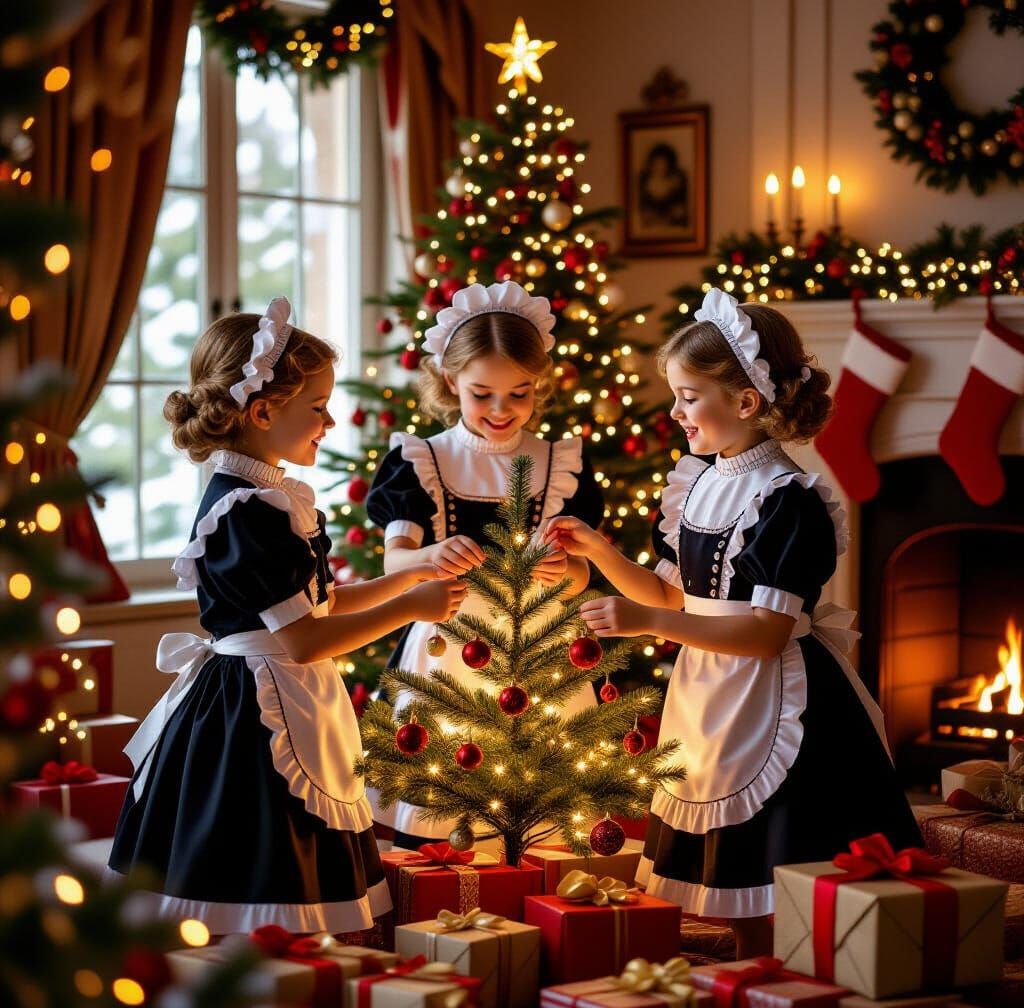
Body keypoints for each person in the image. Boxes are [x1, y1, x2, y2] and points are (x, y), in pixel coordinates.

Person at [545, 288, 920, 958]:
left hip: (775, 693)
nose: (675, 412)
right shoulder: (697, 482)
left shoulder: (787, 500)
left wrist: (646, 621)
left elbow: (765, 634)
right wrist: (600, 552)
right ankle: (752, 962)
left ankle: (791, 963)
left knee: (780, 851)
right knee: (727, 850)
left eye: (689, 397)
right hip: (709, 686)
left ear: (746, 403)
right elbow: (672, 594)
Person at [108, 297, 466, 933]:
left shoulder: (270, 496)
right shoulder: (246, 509)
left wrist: (406, 577)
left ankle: (291, 958)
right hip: (254, 705)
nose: (329, 421)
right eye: (318, 407)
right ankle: (265, 954)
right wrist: (410, 606)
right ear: (263, 411)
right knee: (261, 846)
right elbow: (303, 640)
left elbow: (322, 604)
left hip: (287, 686)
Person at [366, 281, 604, 848]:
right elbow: (396, 558)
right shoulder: (421, 460)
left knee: (548, 815)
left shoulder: (561, 464)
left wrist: (564, 572)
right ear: (451, 381)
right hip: (449, 652)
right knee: (442, 808)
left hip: (543, 656)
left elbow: (581, 574)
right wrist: (429, 556)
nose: (501, 410)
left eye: (519, 394)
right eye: (482, 394)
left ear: (539, 384)